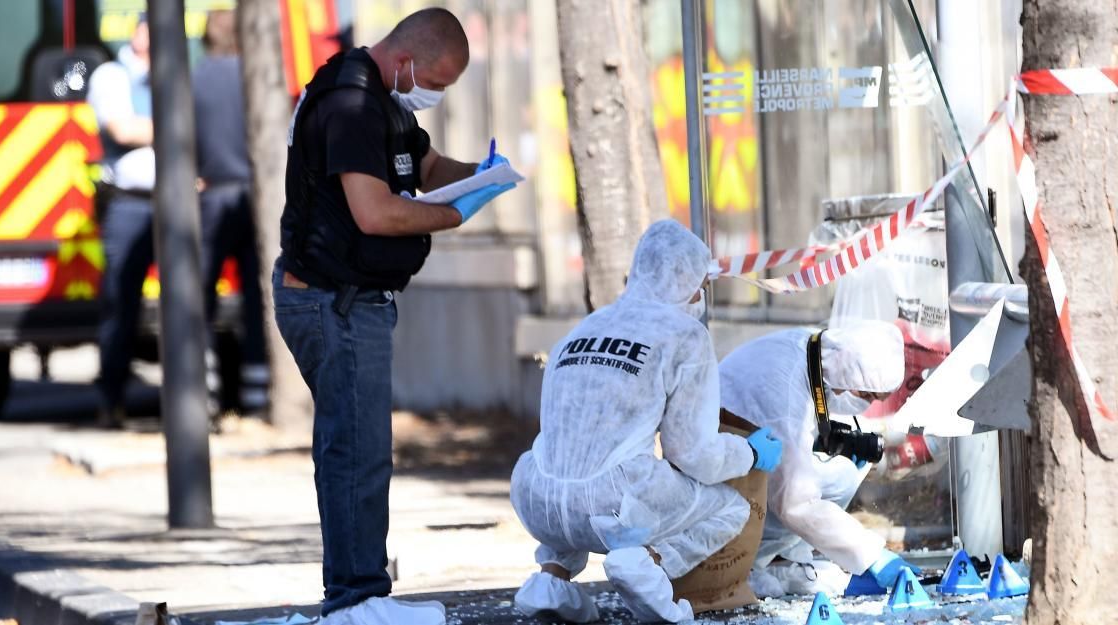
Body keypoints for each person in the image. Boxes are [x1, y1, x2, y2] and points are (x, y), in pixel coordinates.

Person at [273, 8, 514, 625]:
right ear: (405, 62)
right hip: (334, 302)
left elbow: (427, 169)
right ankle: (356, 599)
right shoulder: (353, 103)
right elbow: (375, 213)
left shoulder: (387, 100)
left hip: (350, 299)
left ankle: (359, 590)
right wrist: (454, 215)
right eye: (437, 81)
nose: (437, 95)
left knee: (358, 448)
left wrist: (485, 177)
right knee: (356, 452)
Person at [508, 220, 784, 623]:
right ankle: (647, 567)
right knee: (730, 509)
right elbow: (694, 454)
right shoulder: (684, 336)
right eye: (700, 286)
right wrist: (750, 451)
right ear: (686, 280)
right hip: (612, 508)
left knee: (578, 466)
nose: (701, 296)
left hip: (537, 499)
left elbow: (570, 435)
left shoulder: (583, 328)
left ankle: (553, 578)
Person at [718, 321, 917, 597]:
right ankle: (748, 562)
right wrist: (872, 555)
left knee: (841, 476)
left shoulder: (817, 351)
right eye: (866, 394)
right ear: (846, 373)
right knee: (800, 493)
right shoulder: (786, 394)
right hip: (723, 485)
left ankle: (784, 558)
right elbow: (795, 502)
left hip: (744, 460)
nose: (867, 404)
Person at [192, 9, 268, 416]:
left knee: (200, 297)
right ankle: (257, 394)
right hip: (254, 199)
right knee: (257, 297)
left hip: (212, 196)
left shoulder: (194, 79)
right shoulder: (254, 78)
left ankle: (206, 393)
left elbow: (183, 141)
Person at [87, 15, 154, 428]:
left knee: (194, 301)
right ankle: (111, 400)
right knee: (119, 302)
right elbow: (121, 129)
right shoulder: (111, 75)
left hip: (176, 201)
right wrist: (177, 123)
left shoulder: (175, 71)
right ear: (137, 32)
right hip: (128, 203)